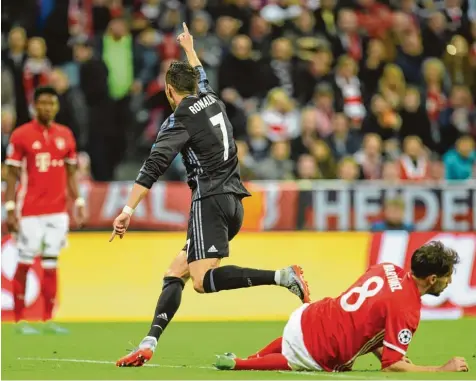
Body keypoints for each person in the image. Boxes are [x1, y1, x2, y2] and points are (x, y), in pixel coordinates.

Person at [111, 23, 311, 367]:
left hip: (210, 200)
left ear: (169, 90)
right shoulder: (210, 97)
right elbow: (200, 73)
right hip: (233, 198)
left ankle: (282, 276)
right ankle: (148, 344)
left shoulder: (179, 119)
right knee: (177, 271)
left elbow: (154, 164)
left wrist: (128, 208)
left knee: (202, 281)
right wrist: (189, 48)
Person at [215, 241, 469, 373]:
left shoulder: (386, 267)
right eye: (448, 276)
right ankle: (240, 364)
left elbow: (367, 317)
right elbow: (392, 366)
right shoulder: (408, 309)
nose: (450, 282)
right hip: (323, 347)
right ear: (432, 278)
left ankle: (249, 357)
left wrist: (382, 350)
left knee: (294, 340)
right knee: (294, 360)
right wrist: (440, 369)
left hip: (312, 315)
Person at [4, 86, 86, 334]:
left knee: (51, 263)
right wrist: (9, 208)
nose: (47, 108)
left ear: (57, 107)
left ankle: (48, 319)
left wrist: (78, 201)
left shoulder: (65, 135)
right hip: (29, 210)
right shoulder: (21, 135)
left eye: (51, 103)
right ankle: (20, 320)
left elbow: (71, 172)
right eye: (42, 103)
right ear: (34, 105)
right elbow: (11, 174)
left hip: (58, 210)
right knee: (25, 260)